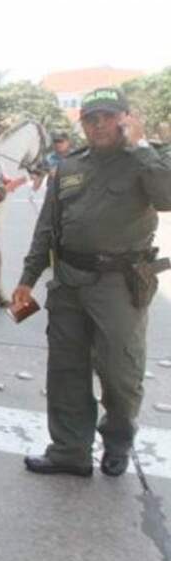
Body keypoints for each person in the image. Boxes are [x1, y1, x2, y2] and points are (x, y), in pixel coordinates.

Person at [14, 87, 171, 477]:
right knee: (66, 369)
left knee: (120, 371)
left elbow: (167, 198)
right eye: (91, 118)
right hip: (68, 282)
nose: (98, 125)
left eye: (107, 117)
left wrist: (140, 146)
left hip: (119, 284)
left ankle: (117, 440)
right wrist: (27, 279)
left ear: (124, 118)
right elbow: (46, 229)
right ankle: (70, 450)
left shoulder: (145, 160)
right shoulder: (69, 167)